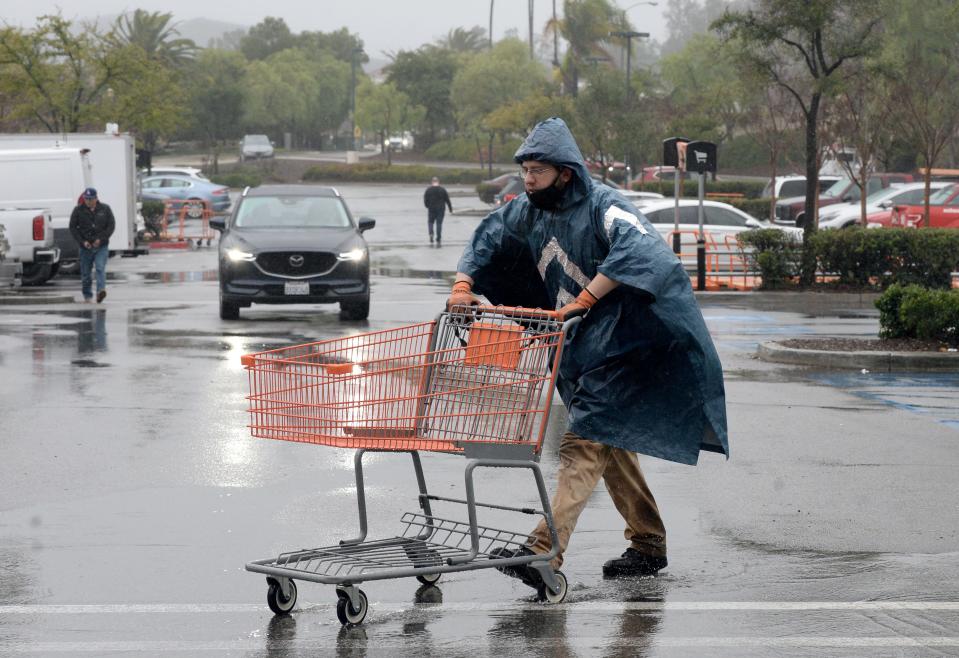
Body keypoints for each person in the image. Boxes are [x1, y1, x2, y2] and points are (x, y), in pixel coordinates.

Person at [446, 117, 728, 585]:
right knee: (609, 442)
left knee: (584, 440)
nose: (529, 180)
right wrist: (462, 284)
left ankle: (543, 551)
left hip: (625, 346)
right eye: (525, 171)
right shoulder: (529, 210)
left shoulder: (605, 206)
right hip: (579, 349)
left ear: (566, 173)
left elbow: (640, 249)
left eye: (537, 171)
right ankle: (648, 542)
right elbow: (489, 235)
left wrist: (586, 298)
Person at [69, 187, 115, 304]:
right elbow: (73, 227)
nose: (88, 201)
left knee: (100, 268)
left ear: (96, 198)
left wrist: (101, 238)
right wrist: (82, 241)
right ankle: (87, 295)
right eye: (86, 199)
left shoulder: (105, 209)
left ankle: (100, 292)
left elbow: (111, 226)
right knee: (86, 273)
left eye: (91, 199)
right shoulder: (78, 210)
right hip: (86, 247)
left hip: (101, 246)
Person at [423, 176, 453, 246]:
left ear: (432, 182)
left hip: (431, 208)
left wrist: (427, 205)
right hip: (441, 209)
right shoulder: (442, 190)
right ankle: (438, 238)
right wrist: (450, 208)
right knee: (439, 223)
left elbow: (425, 199)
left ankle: (431, 233)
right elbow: (447, 199)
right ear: (438, 182)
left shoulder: (428, 190)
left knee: (430, 222)